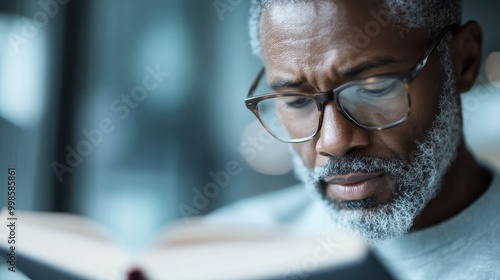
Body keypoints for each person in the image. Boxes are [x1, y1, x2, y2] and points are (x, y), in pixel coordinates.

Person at [208, 0, 500, 279]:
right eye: (297, 101)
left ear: (463, 60)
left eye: (373, 88)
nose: (333, 142)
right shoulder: (226, 254)